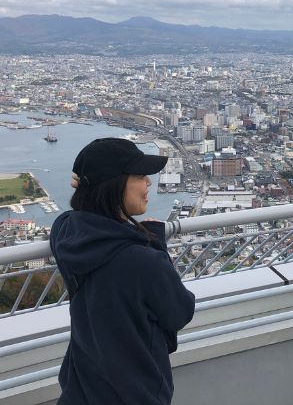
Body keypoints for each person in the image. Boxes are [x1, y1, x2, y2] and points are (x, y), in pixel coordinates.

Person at [50, 137, 196, 404]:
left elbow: (67, 218)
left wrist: (86, 185)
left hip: (82, 388)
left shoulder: (66, 237)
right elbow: (180, 312)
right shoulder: (143, 262)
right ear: (115, 184)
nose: (149, 182)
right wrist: (156, 243)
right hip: (135, 394)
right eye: (140, 175)